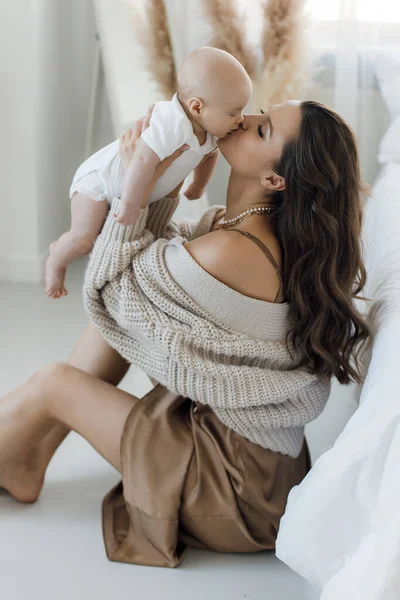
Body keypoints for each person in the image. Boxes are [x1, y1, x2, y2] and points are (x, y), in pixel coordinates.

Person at [0, 100, 373, 568]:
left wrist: (144, 175)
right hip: (257, 466)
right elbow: (149, 264)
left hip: (234, 489)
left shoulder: (234, 251)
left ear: (275, 180)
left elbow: (112, 283)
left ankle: (18, 449)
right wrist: (161, 178)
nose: (246, 119)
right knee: (113, 327)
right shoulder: (236, 227)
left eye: (263, 131)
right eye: (259, 111)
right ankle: (26, 458)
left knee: (57, 380)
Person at [45, 47, 252, 298]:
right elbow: (141, 159)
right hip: (98, 183)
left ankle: (67, 246)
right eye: (234, 112)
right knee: (84, 239)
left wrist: (198, 186)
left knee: (101, 238)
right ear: (197, 107)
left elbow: (209, 157)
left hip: (128, 191)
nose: (241, 119)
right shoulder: (171, 122)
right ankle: (56, 261)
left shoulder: (210, 133)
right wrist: (131, 204)